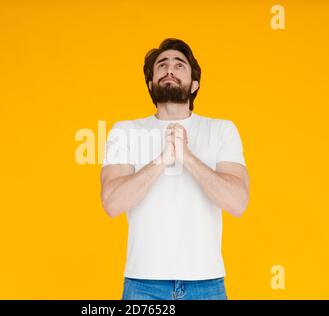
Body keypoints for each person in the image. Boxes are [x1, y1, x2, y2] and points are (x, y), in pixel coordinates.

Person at [100, 38, 250, 300]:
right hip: (143, 284)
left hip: (206, 283)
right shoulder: (125, 131)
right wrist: (163, 159)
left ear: (194, 84)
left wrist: (187, 157)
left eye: (179, 65)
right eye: (162, 65)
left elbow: (238, 202)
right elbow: (112, 203)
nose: (169, 70)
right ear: (150, 83)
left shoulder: (221, 130)